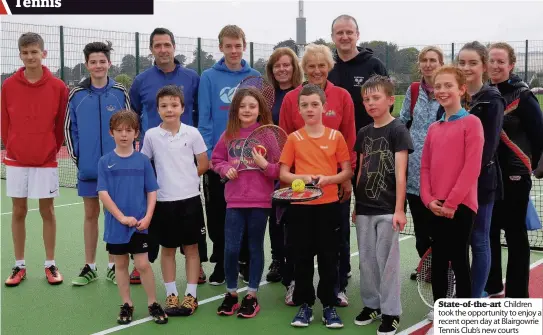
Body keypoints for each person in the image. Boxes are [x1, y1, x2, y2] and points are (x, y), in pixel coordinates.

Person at [279, 43, 356, 307]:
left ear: (329, 67)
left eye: (321, 65)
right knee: (297, 245)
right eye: (310, 66)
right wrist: (291, 183)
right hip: (301, 192)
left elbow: (350, 137)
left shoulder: (343, 96)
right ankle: (295, 286)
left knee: (336, 241)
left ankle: (338, 287)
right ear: (304, 69)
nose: (316, 70)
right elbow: (285, 141)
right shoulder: (291, 99)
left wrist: (345, 178)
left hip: (333, 187)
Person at [129, 27, 205, 285]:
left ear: (174, 47)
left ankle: (196, 265)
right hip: (153, 155)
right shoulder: (141, 81)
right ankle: (142, 263)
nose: (162, 50)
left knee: (187, 210)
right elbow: (135, 115)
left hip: (184, 154)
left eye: (166, 45)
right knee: (151, 211)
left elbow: (198, 112)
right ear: (151, 49)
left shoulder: (192, 77)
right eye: (157, 45)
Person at [420, 66, 484, 335]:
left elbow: (472, 168)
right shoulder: (434, 128)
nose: (442, 91)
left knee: (458, 260)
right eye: (438, 86)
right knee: (439, 262)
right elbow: (424, 168)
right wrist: (428, 200)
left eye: (448, 85)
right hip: (436, 206)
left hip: (460, 207)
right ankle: (441, 312)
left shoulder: (472, 123)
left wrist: (451, 203)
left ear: (461, 90)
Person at [2, 32, 68, 287]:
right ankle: (19, 266)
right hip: (17, 159)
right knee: (18, 211)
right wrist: (14, 148)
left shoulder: (58, 87)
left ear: (44, 53)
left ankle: (50, 264)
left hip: (46, 159)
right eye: (25, 52)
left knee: (47, 211)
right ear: (20, 54)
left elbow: (60, 122)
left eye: (34, 52)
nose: (30, 56)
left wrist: (50, 148)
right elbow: (4, 123)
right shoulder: (8, 86)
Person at [65, 41, 131, 286]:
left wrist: (124, 157)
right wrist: (80, 158)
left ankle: (114, 265)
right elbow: (69, 129)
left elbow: (131, 125)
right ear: (87, 65)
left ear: (109, 63)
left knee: (114, 215)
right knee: (91, 214)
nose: (98, 65)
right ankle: (90, 266)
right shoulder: (77, 94)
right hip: (89, 169)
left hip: (117, 169)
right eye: (93, 62)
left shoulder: (120, 92)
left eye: (102, 61)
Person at [198, 24, 260, 285]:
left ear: (244, 46)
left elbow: (260, 118)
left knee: (247, 212)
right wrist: (212, 158)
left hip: (248, 163)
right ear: (221, 47)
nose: (233, 50)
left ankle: (245, 260)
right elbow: (205, 119)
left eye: (238, 45)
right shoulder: (209, 77)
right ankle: (222, 261)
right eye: (228, 46)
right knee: (217, 214)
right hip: (219, 161)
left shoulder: (255, 76)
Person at [141, 85, 208, 316]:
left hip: (190, 201)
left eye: (174, 105)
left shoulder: (193, 133)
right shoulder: (150, 136)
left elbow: (203, 163)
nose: (169, 110)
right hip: (163, 202)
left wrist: (187, 179)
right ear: (157, 109)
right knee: (167, 249)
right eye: (164, 106)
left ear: (182, 107)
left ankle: (191, 295)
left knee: (191, 248)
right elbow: (144, 166)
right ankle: (171, 294)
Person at [353, 75, 413, 335]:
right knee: (366, 261)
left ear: (390, 100)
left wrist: (400, 209)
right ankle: (372, 304)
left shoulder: (398, 130)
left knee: (386, 262)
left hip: (388, 208)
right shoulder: (364, 132)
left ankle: (391, 311)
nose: (370, 103)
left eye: (376, 98)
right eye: (366, 99)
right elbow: (361, 169)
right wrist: (356, 203)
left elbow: (401, 173)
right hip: (364, 208)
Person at [96, 110, 167, 325]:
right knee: (120, 265)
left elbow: (152, 191)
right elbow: (103, 193)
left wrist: (147, 217)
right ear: (111, 133)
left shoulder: (143, 161)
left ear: (136, 133)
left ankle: (153, 303)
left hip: (140, 225)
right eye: (119, 130)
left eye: (129, 130)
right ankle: (126, 303)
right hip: (116, 226)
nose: (124, 134)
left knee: (143, 264)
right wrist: (121, 217)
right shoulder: (105, 162)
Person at [212, 87, 278, 318]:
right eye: (242, 106)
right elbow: (216, 159)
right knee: (230, 249)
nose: (247, 110)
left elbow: (280, 169)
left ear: (260, 109)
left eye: (252, 106)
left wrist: (264, 165)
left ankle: (252, 295)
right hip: (235, 201)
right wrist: (225, 168)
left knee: (254, 247)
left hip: (260, 202)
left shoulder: (268, 135)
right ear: (235, 110)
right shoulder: (228, 134)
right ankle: (231, 294)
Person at [485, 42, 543, 298]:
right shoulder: (483, 93)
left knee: (515, 234)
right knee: (488, 232)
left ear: (511, 65)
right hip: (487, 176)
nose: (495, 66)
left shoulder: (523, 96)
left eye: (501, 61)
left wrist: (532, 168)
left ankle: (518, 295)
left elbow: (540, 135)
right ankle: (493, 285)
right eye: (492, 61)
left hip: (515, 176)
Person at [454, 41, 505, 298]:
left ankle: (475, 298)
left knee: (479, 240)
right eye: (461, 62)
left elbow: (488, 148)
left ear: (484, 66)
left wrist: (466, 179)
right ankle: (461, 293)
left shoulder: (492, 99)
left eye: (472, 63)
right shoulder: (454, 96)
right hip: (452, 185)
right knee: (458, 243)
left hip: (481, 184)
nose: (466, 67)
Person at [397, 46, 444, 281]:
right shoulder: (414, 89)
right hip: (414, 170)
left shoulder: (447, 90)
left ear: (441, 63)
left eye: (433, 60)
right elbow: (403, 119)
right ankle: (426, 264)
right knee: (421, 228)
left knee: (440, 226)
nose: (428, 64)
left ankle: (442, 268)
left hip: (441, 171)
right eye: (424, 60)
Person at [263, 47, 303, 284]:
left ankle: (295, 260)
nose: (282, 69)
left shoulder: (303, 93)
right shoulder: (266, 96)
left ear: (294, 67)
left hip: (298, 165)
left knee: (294, 216)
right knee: (275, 216)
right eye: (277, 66)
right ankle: (278, 259)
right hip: (272, 165)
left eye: (286, 64)